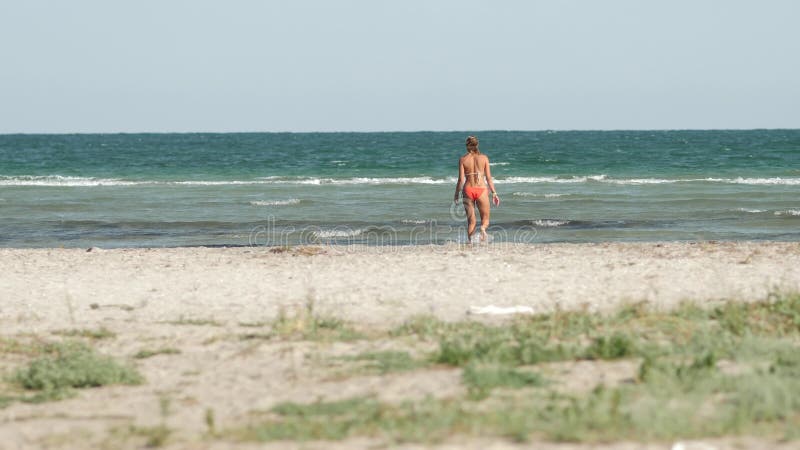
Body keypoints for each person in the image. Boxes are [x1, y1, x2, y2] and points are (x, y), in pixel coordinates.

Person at [453, 135, 499, 243]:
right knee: (485, 219)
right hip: (481, 190)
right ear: (477, 145)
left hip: (468, 190)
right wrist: (494, 193)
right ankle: (483, 229)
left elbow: (460, 180)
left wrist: (456, 194)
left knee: (471, 222)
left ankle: (471, 244)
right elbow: (488, 178)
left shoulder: (463, 160)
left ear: (467, 146)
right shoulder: (484, 158)